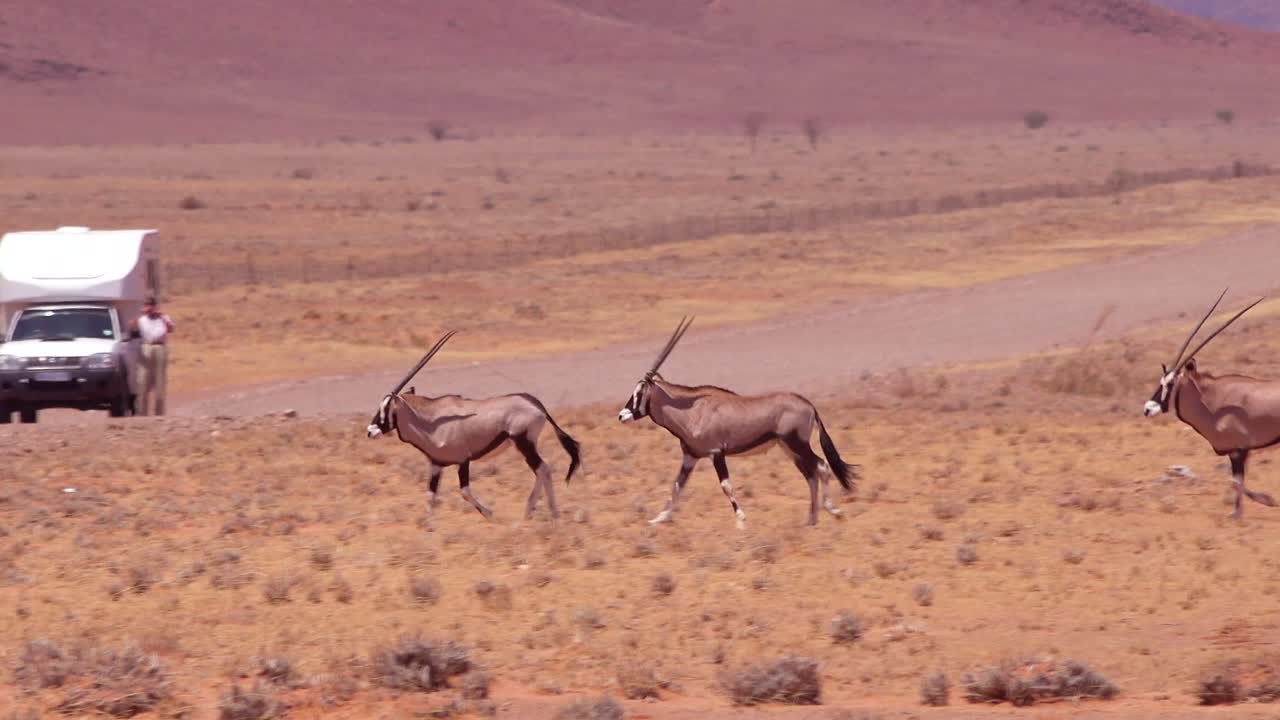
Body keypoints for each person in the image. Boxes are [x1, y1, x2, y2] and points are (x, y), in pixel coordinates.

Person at [130, 296, 174, 416]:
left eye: (150, 305)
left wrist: (161, 317)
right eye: (146, 305)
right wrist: (140, 315)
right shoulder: (142, 319)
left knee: (160, 381)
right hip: (146, 347)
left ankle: (159, 413)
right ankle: (142, 413)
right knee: (143, 380)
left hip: (160, 347)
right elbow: (131, 327)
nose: (148, 307)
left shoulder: (163, 317)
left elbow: (171, 328)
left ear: (155, 305)